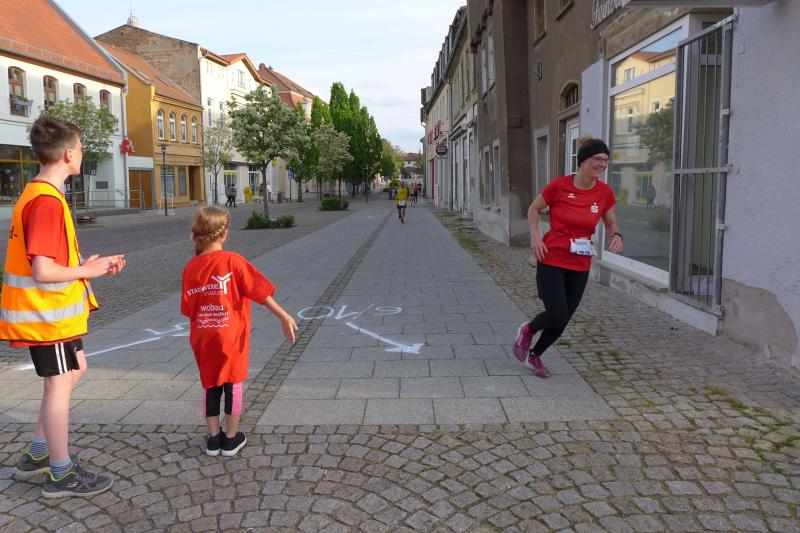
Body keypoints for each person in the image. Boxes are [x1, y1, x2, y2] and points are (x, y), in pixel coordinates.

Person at [2, 116, 126, 497]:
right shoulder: (46, 202)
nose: (82, 154)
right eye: (81, 148)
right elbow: (43, 270)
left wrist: (86, 265)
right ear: (69, 154)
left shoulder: (41, 194)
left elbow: (49, 260)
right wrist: (87, 270)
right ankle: (60, 473)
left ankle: (39, 453)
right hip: (46, 315)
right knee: (58, 384)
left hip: (52, 314)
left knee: (75, 370)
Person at [181, 206, 298, 457]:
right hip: (230, 335)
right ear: (224, 234)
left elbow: (188, 308)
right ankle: (231, 439)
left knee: (210, 384)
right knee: (232, 382)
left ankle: (214, 440)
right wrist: (284, 315)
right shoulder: (233, 261)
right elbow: (260, 292)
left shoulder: (191, 267)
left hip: (202, 336)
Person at [513, 136, 623, 378]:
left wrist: (616, 235)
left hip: (580, 262)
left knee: (564, 319)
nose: (603, 164)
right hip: (552, 257)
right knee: (557, 313)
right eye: (598, 159)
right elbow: (534, 208)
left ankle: (535, 355)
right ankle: (528, 330)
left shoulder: (604, 192)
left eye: (606, 160)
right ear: (583, 161)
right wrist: (535, 238)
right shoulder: (560, 186)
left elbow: (610, 221)